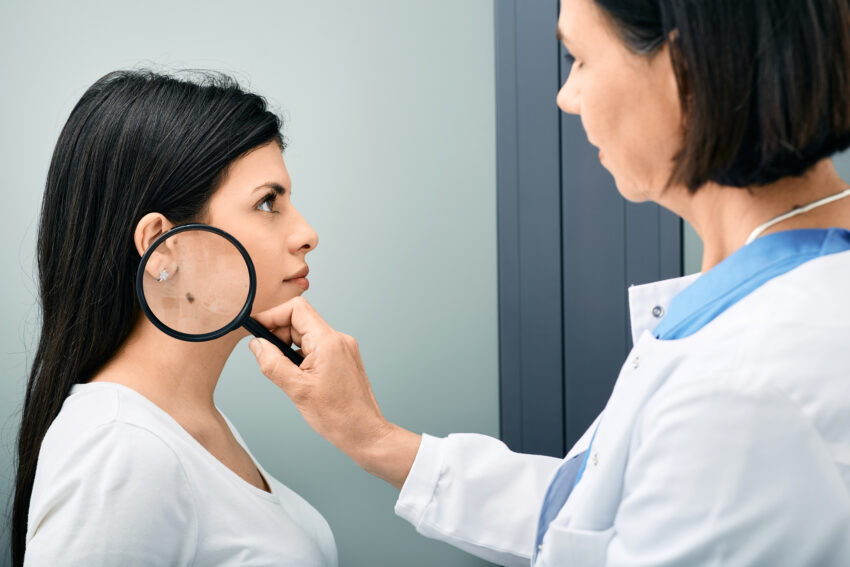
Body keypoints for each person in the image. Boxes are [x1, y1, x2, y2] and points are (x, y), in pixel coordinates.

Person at [247, 0, 850, 565]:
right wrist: (372, 438)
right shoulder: (761, 312)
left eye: (580, 59)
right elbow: (586, 512)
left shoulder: (746, 384)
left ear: (685, 70)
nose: (567, 96)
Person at [12, 70, 337, 567]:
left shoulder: (187, 425)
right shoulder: (120, 450)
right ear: (162, 247)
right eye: (268, 202)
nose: (307, 233)